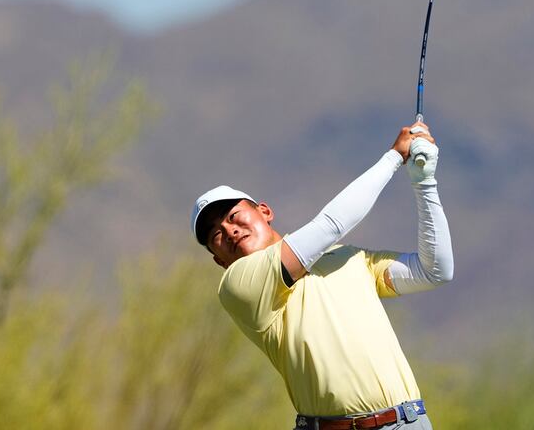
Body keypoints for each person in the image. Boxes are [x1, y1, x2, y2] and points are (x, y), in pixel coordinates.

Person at [190, 122, 453, 430]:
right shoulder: (238, 286)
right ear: (218, 261)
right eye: (215, 235)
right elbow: (331, 224)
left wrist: (424, 182)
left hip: (408, 423)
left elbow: (434, 270)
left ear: (264, 211)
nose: (229, 230)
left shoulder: (346, 257)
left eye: (233, 216)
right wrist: (394, 157)